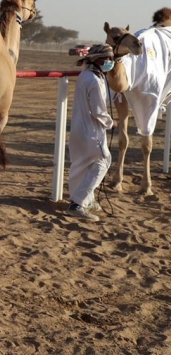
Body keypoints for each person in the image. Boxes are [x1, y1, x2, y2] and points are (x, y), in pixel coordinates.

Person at [67, 43, 115, 221]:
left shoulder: (86, 75)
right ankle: (77, 204)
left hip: (80, 129)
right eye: (108, 58)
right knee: (103, 161)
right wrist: (111, 123)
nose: (111, 62)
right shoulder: (94, 81)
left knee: (82, 164)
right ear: (99, 59)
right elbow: (98, 111)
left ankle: (87, 199)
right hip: (91, 130)